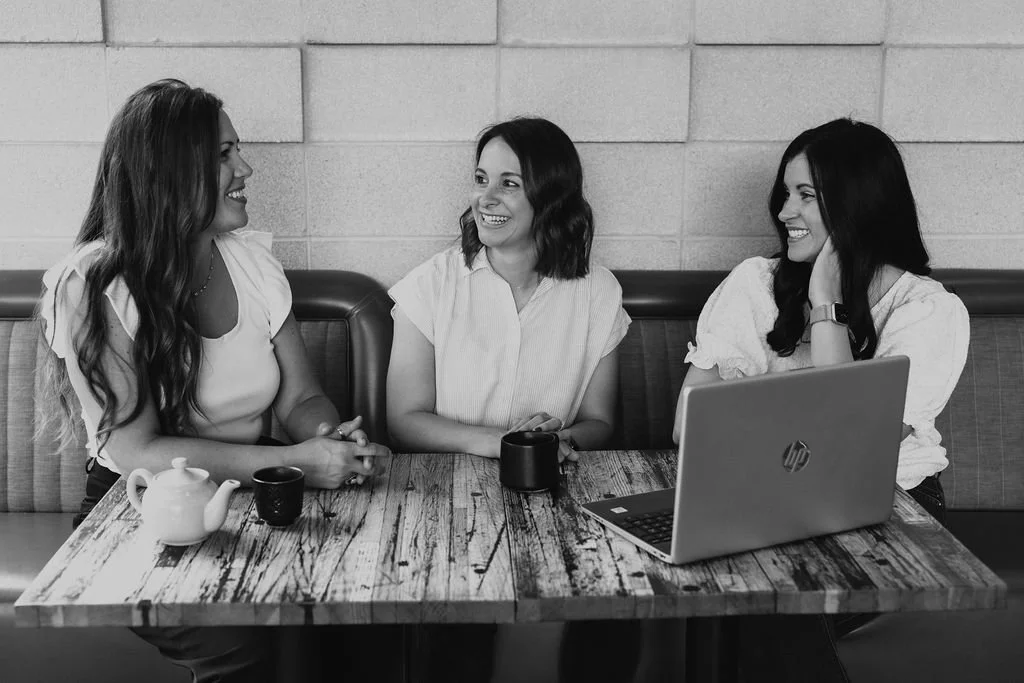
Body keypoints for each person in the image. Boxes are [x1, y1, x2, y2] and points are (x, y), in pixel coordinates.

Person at [38, 78, 390, 683]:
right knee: (241, 642)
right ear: (169, 172)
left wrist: (330, 438)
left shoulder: (251, 262)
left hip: (260, 490)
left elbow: (301, 396)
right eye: (224, 154)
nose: (245, 167)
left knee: (341, 613)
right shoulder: (95, 286)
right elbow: (137, 449)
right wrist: (299, 463)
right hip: (143, 510)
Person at [673, 118, 970, 682]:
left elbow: (858, 445)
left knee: (777, 610)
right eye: (786, 193)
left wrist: (826, 301)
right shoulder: (754, 283)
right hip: (766, 504)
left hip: (892, 507)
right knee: (734, 601)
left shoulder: (929, 312)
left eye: (806, 195)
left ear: (859, 203)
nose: (784, 212)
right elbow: (689, 425)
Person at [386, 117, 633, 682]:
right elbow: (402, 421)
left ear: (550, 197)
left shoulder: (596, 291)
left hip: (559, 502)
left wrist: (563, 439)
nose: (486, 198)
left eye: (510, 183)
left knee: (615, 614)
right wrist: (501, 444)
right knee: (452, 620)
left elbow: (600, 423)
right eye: (480, 179)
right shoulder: (433, 284)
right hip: (446, 505)